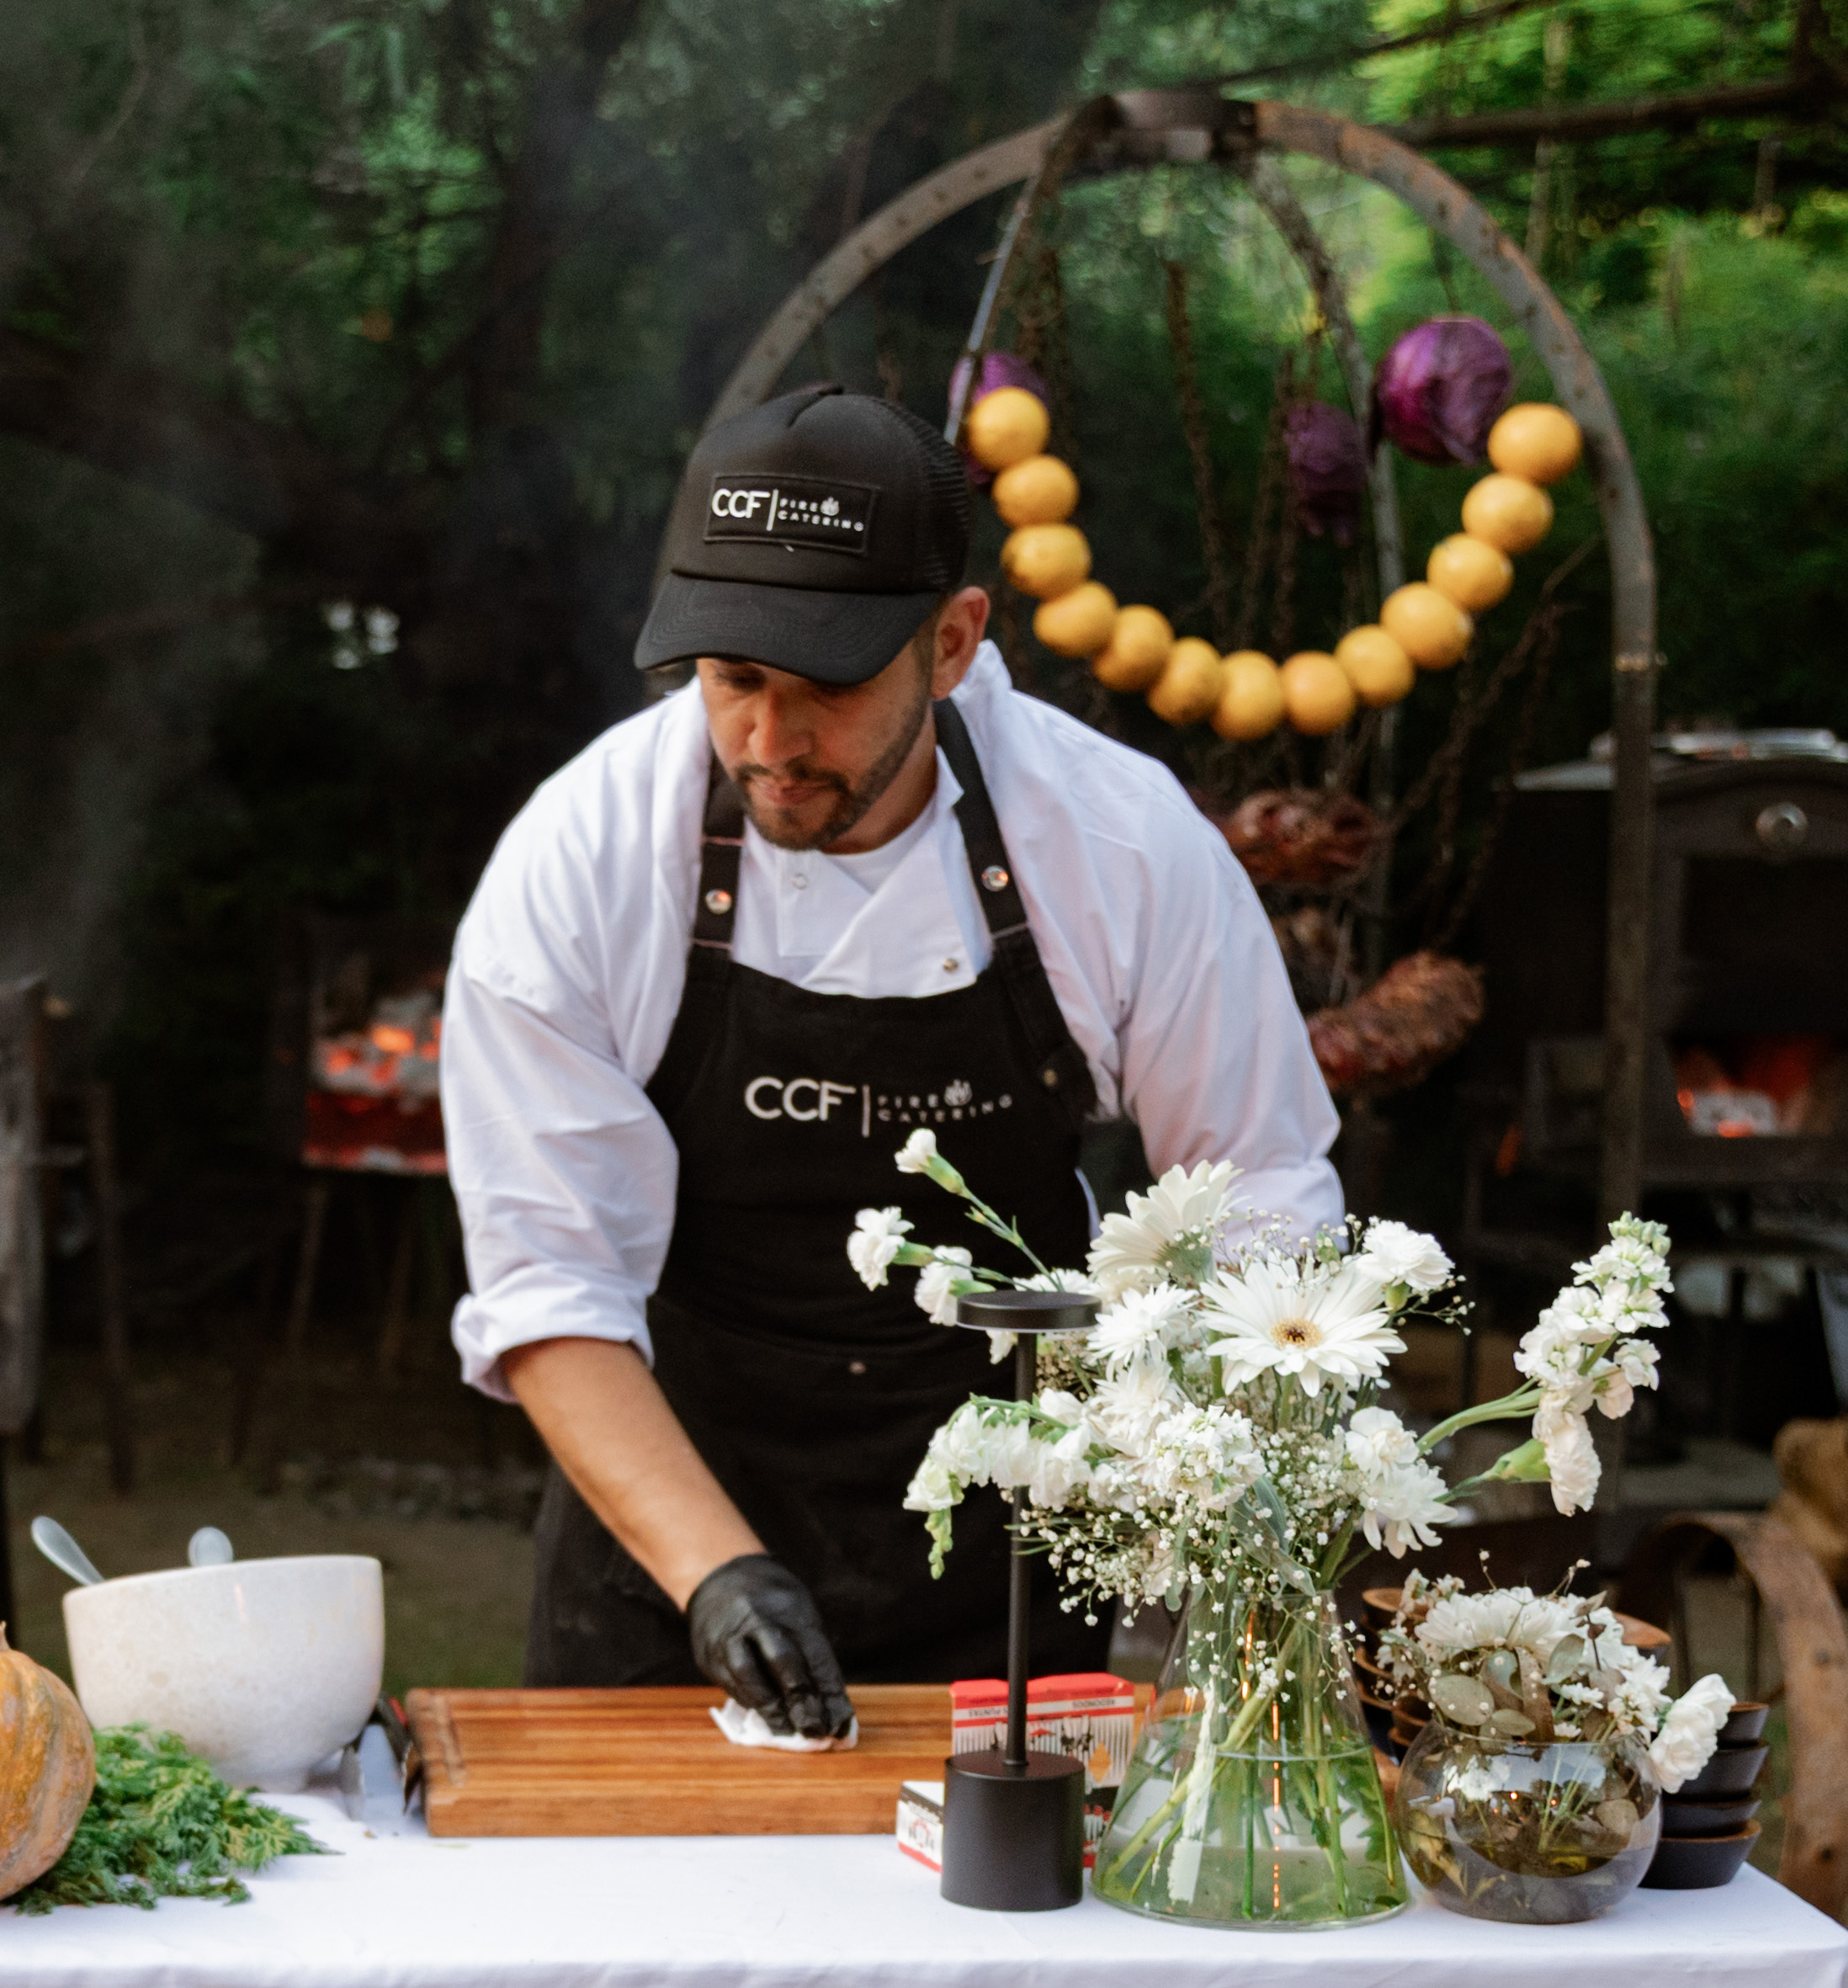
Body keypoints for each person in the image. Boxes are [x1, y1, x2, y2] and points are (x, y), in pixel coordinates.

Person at [440, 385, 1345, 1742]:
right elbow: (549, 1282)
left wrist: (1212, 1501)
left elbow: (1262, 1191)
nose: (768, 744)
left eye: (828, 688)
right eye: (732, 680)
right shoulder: (584, 860)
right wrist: (717, 1574)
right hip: (669, 1535)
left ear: (954, 641)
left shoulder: (1116, 844)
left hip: (1011, 1555)